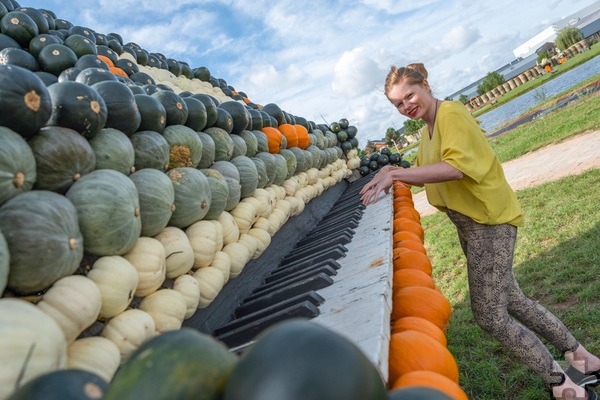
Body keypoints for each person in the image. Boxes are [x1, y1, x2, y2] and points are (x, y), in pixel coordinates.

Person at [360, 63, 600, 399]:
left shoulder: (451, 114)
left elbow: (456, 168)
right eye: (398, 104)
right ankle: (585, 360)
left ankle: (562, 385)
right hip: (471, 227)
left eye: (409, 96)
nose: (406, 106)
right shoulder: (428, 130)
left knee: (490, 316)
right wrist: (393, 168)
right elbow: (426, 169)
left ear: (425, 85)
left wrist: (397, 176)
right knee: (514, 300)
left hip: (490, 223)